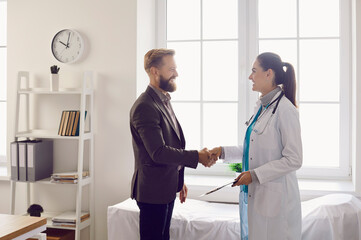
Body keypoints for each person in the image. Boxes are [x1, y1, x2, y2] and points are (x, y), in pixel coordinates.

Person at [211, 52, 303, 240]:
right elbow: (251, 152)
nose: (250, 76)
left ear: (269, 74)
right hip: (259, 197)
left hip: (277, 203)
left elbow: (294, 159)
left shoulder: (285, 110)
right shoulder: (261, 108)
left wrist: (254, 175)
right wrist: (222, 152)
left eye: (254, 71)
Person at [130, 48, 216, 240]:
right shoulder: (145, 106)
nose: (176, 73)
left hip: (165, 187)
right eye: (172, 69)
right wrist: (197, 156)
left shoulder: (163, 100)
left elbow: (170, 144)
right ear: (155, 71)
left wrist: (178, 178)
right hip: (152, 192)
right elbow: (158, 152)